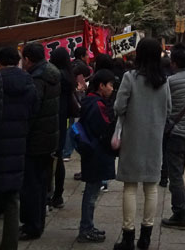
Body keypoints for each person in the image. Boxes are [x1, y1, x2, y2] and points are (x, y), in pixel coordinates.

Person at [113, 37, 171, 250]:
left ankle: (128, 236)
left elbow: (119, 106)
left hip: (132, 138)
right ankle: (146, 236)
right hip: (154, 139)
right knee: (151, 187)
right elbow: (169, 109)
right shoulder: (164, 81)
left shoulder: (130, 78)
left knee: (130, 186)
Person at [0, 46, 38, 250]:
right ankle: (9, 245)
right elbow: (34, 111)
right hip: (18, 144)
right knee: (12, 199)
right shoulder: (29, 82)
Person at [20, 42, 61, 240]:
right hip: (49, 136)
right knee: (41, 182)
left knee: (31, 184)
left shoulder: (36, 79)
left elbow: (31, 109)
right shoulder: (53, 73)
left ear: (28, 59)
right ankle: (38, 222)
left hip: (36, 138)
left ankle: (32, 226)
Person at [76, 69, 118, 243]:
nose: (112, 88)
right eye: (110, 85)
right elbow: (104, 128)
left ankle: (88, 226)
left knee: (92, 191)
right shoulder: (97, 105)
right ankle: (85, 228)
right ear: (101, 85)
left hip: (92, 152)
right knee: (91, 193)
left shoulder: (91, 100)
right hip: (96, 153)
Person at [161, 43, 185, 229]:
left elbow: (165, 108)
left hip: (176, 134)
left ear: (174, 63)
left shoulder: (169, 82)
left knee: (175, 174)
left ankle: (179, 212)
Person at [50, 46, 80, 208]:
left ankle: (50, 193)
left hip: (52, 119)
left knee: (50, 158)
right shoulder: (69, 76)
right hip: (64, 119)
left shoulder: (55, 76)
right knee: (59, 157)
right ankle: (58, 194)